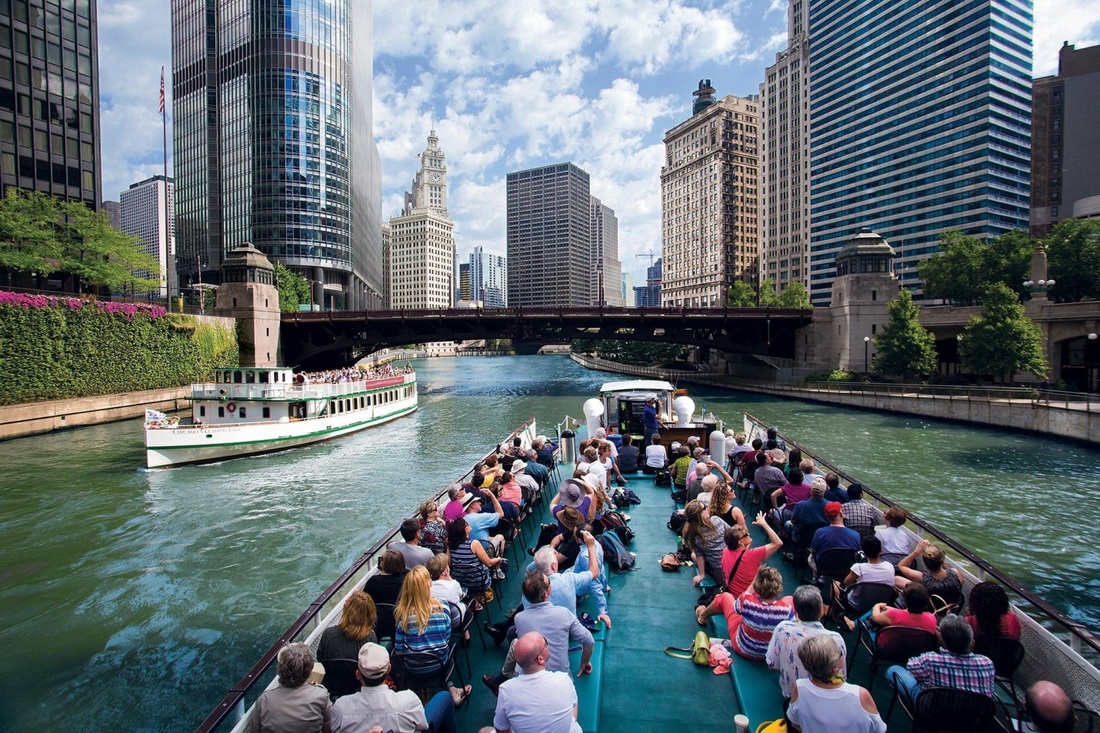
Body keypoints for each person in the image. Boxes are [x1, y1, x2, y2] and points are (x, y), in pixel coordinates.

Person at [331, 642, 456, 733]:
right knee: (444, 697)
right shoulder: (408, 700)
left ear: (358, 674)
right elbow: (423, 725)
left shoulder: (340, 708)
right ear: (389, 669)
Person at [392, 566, 471, 707]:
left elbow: (399, 649)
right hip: (439, 665)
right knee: (446, 650)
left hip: (413, 669)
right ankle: (450, 688)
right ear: (428, 585)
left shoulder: (402, 616)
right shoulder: (443, 607)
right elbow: (446, 637)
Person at [886, 614, 996, 708]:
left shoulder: (931, 660)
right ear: (972, 643)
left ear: (943, 641)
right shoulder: (987, 663)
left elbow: (910, 666)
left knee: (894, 670)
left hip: (932, 712)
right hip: (969, 719)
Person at [488, 631, 584, 733]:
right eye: (545, 643)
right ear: (540, 659)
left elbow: (501, 729)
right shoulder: (564, 679)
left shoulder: (505, 690)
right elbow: (574, 705)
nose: (547, 644)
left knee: (484, 730)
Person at [787, 634, 885, 733]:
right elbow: (880, 730)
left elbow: (795, 723)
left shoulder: (799, 687)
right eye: (840, 653)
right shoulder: (860, 695)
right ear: (835, 668)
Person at [766, 585, 848, 702]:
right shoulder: (836, 639)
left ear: (796, 611)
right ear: (821, 610)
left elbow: (772, 664)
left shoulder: (783, 629)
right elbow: (841, 677)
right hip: (824, 699)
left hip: (789, 695)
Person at [697, 565, 794, 661]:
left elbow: (736, 609)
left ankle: (703, 615)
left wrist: (750, 589)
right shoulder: (785, 610)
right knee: (790, 599)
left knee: (724, 597)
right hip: (767, 653)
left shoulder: (747, 601)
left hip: (743, 648)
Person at [514, 571, 594, 675]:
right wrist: (585, 662)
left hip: (530, 677)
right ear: (546, 593)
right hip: (560, 679)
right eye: (549, 582)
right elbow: (589, 640)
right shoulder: (563, 613)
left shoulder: (518, 618)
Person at [249, 643, 332, 733]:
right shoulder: (321, 695)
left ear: (280, 669)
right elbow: (329, 729)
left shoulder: (264, 700)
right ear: (309, 670)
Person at [831, 536, 896, 631]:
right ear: (880, 551)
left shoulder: (858, 568)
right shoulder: (889, 566)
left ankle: (834, 615)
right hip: (880, 605)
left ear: (864, 553)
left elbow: (846, 583)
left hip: (856, 605)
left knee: (835, 583)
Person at [719, 512, 784, 597]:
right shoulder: (752, 555)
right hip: (749, 598)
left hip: (732, 594)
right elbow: (778, 543)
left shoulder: (725, 551)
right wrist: (764, 524)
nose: (747, 533)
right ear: (741, 542)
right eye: (745, 534)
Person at [894, 540, 963, 609]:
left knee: (896, 579)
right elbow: (962, 582)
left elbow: (901, 565)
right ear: (942, 560)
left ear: (926, 565)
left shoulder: (923, 577)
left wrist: (917, 551)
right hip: (950, 607)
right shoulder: (955, 573)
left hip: (930, 608)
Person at [447, 517, 499, 606]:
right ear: (464, 530)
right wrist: (498, 559)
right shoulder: (474, 544)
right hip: (479, 583)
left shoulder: (450, 547)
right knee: (497, 562)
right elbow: (489, 563)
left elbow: (449, 564)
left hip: (461, 582)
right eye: (466, 524)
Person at [681, 499, 732, 587]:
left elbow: (699, 555)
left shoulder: (692, 535)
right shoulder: (717, 520)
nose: (707, 508)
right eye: (704, 507)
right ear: (700, 514)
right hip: (732, 560)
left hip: (718, 568)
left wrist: (701, 575)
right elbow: (732, 534)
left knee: (693, 555)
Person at [863, 581, 938, 640]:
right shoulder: (932, 619)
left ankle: (855, 625)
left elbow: (875, 617)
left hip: (886, 649)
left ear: (905, 600)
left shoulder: (893, 615)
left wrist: (877, 606)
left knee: (871, 621)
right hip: (912, 652)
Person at [317, 591, 378, 662]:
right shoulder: (371, 637)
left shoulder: (328, 634)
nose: (345, 600)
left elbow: (320, 659)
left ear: (347, 612)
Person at [364, 550, 407, 638]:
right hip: (399, 621)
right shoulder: (405, 581)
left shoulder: (373, 581)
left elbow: (364, 600)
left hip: (376, 623)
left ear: (385, 564)